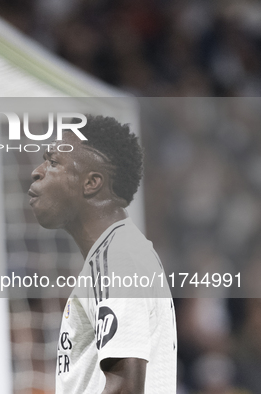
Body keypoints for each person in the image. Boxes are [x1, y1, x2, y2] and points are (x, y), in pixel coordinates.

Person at [28, 115, 176, 393]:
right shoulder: (118, 252)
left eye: (53, 162)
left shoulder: (118, 259)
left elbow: (125, 387)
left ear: (91, 182)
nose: (37, 171)